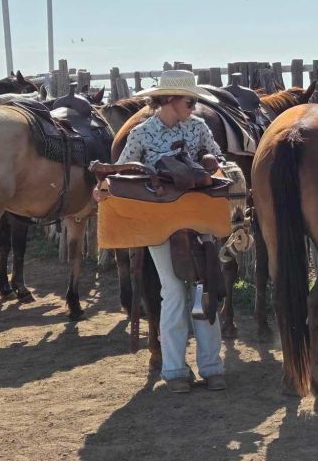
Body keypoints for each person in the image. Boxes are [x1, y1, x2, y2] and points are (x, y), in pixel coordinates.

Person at [95, 70, 227, 394]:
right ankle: (174, 369)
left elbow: (219, 161)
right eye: (189, 100)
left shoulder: (198, 128)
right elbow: (123, 173)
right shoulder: (140, 134)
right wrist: (103, 191)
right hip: (158, 221)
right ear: (170, 100)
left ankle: (211, 366)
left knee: (205, 286)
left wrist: (212, 167)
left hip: (197, 217)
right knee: (172, 290)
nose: (193, 107)